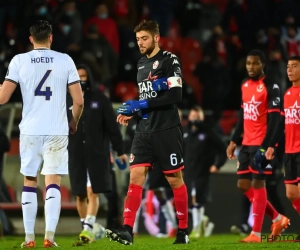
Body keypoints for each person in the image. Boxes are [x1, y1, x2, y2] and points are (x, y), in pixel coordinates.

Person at [105, 20, 189, 245]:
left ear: (156, 38)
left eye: (144, 38)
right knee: (135, 177)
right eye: (138, 39)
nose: (140, 43)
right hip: (144, 130)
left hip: (166, 129)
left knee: (174, 179)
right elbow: (148, 98)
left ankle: (183, 231)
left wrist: (140, 105)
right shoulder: (141, 64)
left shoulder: (170, 60)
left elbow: (175, 95)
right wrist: (134, 111)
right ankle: (127, 230)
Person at [0, 20, 84, 248]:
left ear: (30, 39)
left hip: (30, 130)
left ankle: (28, 238)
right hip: (57, 129)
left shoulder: (20, 60)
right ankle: (49, 236)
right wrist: (73, 122)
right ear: (51, 38)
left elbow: (2, 98)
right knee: (53, 182)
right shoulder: (65, 60)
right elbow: (78, 100)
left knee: (29, 181)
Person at [226, 49, 289, 242]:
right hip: (246, 143)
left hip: (262, 144)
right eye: (248, 64)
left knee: (259, 183)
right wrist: (233, 140)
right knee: (243, 184)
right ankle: (278, 218)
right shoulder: (245, 85)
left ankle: (256, 233)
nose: (251, 67)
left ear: (263, 64)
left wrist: (267, 146)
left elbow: (276, 120)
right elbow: (243, 116)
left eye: (254, 63)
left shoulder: (272, 86)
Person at [67, 64, 127, 243]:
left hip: (96, 153)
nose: (81, 80)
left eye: (84, 76)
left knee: (93, 191)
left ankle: (87, 230)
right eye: (77, 76)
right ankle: (88, 229)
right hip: (76, 153)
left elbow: (111, 127)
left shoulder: (100, 100)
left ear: (89, 78)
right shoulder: (65, 101)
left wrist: (120, 150)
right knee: (79, 194)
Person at [184, 106, 227, 238]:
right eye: (192, 116)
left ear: (202, 118)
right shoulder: (185, 133)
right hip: (188, 171)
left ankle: (196, 229)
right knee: (190, 201)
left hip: (202, 170)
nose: (194, 119)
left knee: (197, 198)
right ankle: (203, 222)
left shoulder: (208, 132)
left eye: (197, 116)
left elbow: (222, 149)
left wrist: (217, 165)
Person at [282, 56, 300, 241]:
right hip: (290, 150)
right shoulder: (287, 94)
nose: (290, 70)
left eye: (294, 66)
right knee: (291, 193)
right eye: (288, 67)